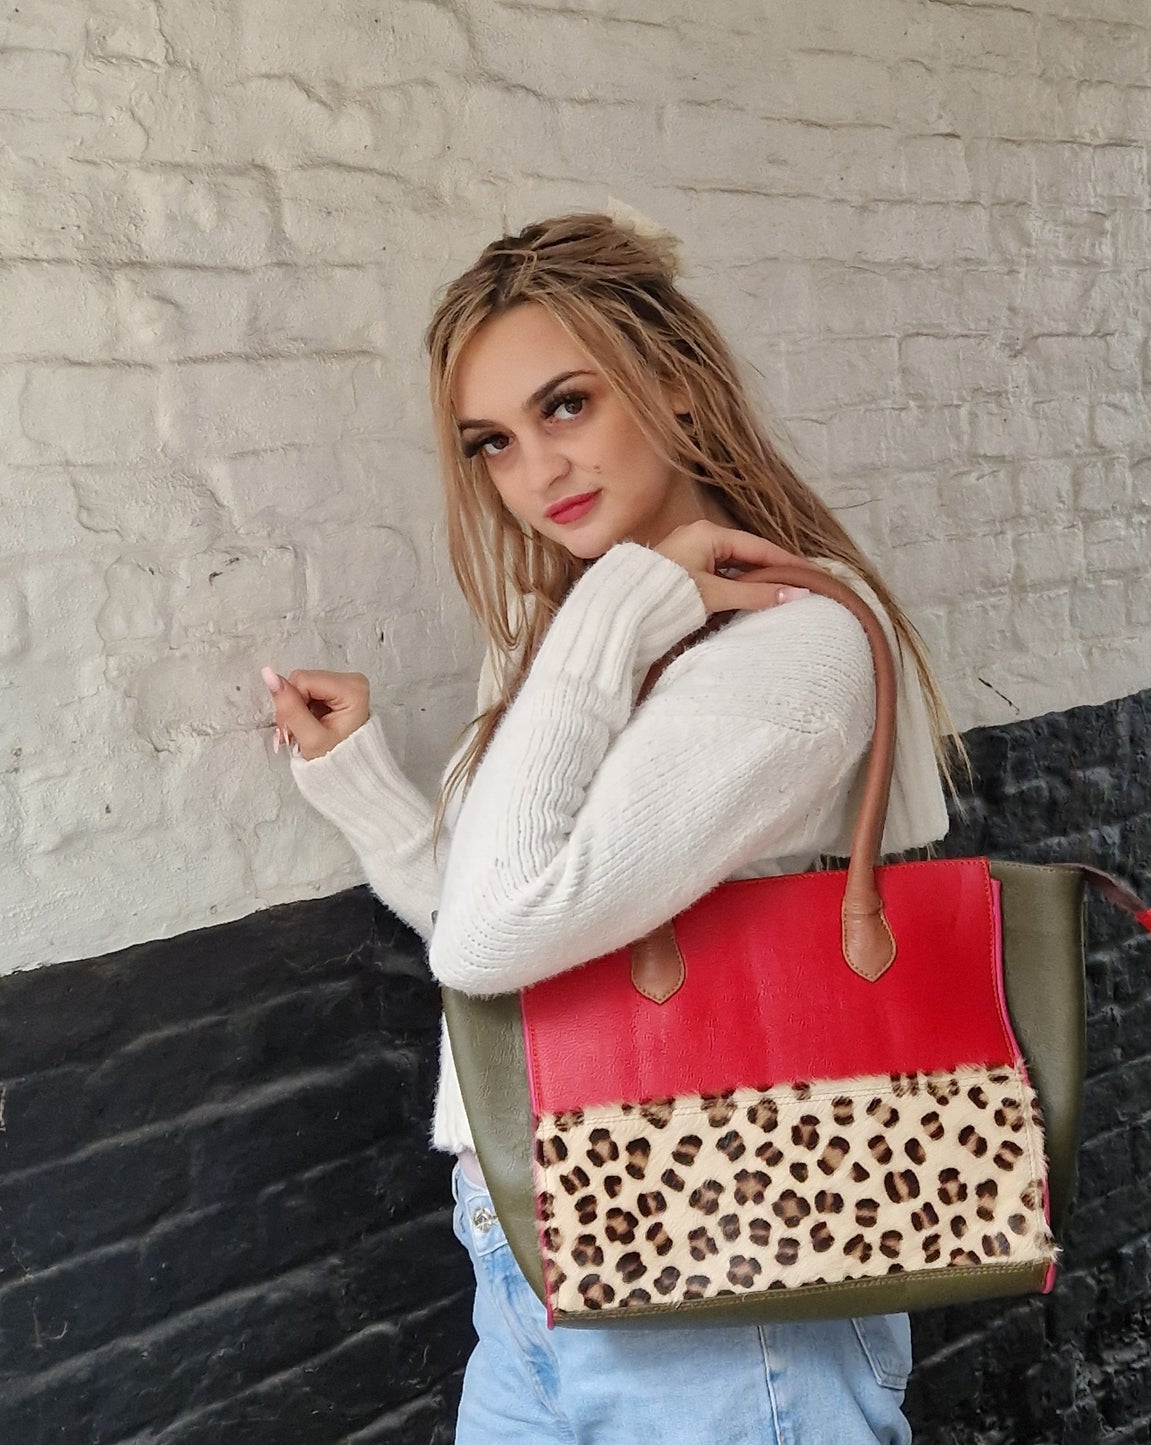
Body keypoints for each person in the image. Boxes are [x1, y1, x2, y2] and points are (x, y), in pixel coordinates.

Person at [262, 211, 962, 1444]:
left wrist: (617, 607)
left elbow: (488, 935)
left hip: (727, 1269)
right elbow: (502, 919)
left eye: (566, 406)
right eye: (494, 441)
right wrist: (365, 782)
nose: (535, 470)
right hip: (523, 1247)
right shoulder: (569, 637)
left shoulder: (798, 643)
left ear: (676, 390)